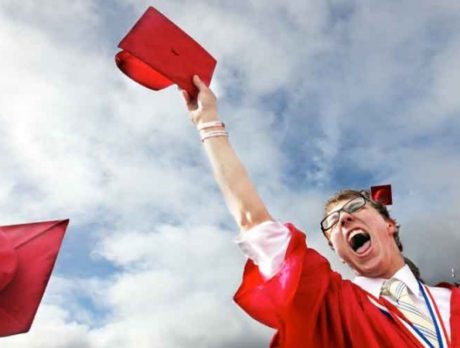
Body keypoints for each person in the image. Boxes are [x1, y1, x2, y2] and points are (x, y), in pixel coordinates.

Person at [180, 76, 460, 348]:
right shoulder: (327, 302)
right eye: (332, 222)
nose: (345, 219)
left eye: (354, 207)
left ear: (390, 224)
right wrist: (208, 122)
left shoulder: (453, 301)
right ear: (338, 253)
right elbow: (255, 221)